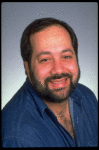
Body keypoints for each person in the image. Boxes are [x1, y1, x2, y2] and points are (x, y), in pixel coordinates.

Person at [1, 18, 98, 147]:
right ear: (27, 67)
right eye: (45, 59)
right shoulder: (17, 136)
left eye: (66, 56)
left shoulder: (87, 96)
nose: (58, 70)